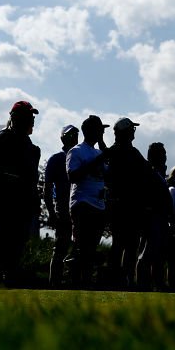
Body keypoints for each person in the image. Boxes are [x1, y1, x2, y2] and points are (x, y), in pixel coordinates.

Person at [0, 101, 41, 286]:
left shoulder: (31, 147)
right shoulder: (2, 140)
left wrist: (34, 200)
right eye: (28, 117)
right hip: (2, 201)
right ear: (16, 118)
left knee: (16, 245)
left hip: (22, 203)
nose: (32, 121)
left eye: (32, 117)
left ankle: (9, 279)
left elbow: (31, 177)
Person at [103, 117, 148, 289]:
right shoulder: (119, 152)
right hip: (121, 206)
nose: (133, 132)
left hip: (131, 206)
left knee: (129, 245)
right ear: (126, 132)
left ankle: (125, 279)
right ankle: (116, 280)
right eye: (131, 129)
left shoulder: (127, 151)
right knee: (120, 244)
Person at [67, 115, 110, 288]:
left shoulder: (98, 152)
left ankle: (86, 280)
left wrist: (103, 152)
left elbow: (108, 174)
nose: (102, 132)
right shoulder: (76, 151)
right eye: (100, 129)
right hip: (82, 204)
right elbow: (73, 176)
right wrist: (98, 160)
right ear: (91, 131)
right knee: (82, 246)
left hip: (99, 205)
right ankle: (75, 281)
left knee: (91, 247)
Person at [44, 124, 78, 287]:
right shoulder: (56, 159)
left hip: (78, 207)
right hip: (63, 209)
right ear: (63, 138)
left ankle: (72, 282)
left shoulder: (79, 156)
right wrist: (51, 211)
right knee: (61, 247)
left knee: (76, 248)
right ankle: (55, 283)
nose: (74, 137)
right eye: (71, 135)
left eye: (76, 134)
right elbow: (48, 188)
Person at [136, 141, 172, 291]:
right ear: (154, 156)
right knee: (148, 252)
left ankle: (158, 283)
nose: (165, 156)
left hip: (161, 217)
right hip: (153, 217)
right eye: (162, 153)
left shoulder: (158, 173)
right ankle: (142, 284)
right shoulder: (148, 172)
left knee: (159, 254)